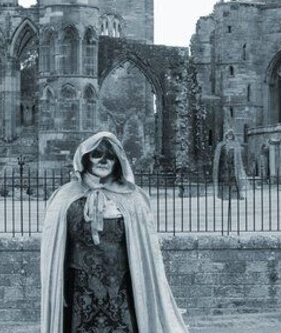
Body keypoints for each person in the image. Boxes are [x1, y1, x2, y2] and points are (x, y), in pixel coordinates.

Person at [40, 132, 189, 332]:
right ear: (85, 159)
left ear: (118, 161)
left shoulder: (132, 198)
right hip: (79, 289)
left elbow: (145, 254)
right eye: (97, 154)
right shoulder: (65, 197)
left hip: (121, 288)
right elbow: (54, 250)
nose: (104, 160)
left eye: (110, 156)